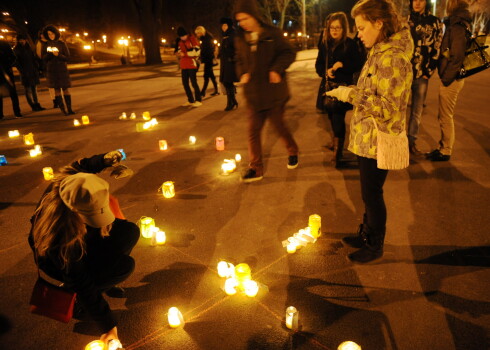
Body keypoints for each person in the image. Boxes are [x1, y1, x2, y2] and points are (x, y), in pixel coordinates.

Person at [326, 0, 413, 263]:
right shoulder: (378, 50)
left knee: (372, 193)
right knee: (367, 192)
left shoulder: (394, 58)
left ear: (379, 23)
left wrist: (350, 94)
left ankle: (374, 245)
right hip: (368, 136)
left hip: (379, 138)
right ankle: (366, 234)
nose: (358, 34)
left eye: (362, 27)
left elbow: (389, 108)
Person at [28, 151, 139, 347]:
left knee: (129, 231)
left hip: (82, 235)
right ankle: (78, 302)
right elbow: (79, 279)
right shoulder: (59, 235)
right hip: (57, 262)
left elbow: (80, 167)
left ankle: (102, 278)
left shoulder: (67, 183)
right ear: (73, 210)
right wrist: (107, 325)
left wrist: (104, 160)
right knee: (123, 267)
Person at [234, 0, 299, 183]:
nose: (243, 23)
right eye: (239, 20)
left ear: (254, 16)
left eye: (245, 18)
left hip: (273, 95)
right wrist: (243, 73)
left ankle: (293, 150)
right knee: (253, 132)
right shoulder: (240, 38)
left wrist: (276, 69)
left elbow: (289, 53)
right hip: (254, 95)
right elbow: (238, 60)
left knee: (279, 127)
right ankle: (256, 169)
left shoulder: (272, 34)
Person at [426, 0, 471, 161]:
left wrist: (446, 77)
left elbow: (457, 55)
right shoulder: (457, 22)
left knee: (445, 116)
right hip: (452, 77)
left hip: (452, 78)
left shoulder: (458, 25)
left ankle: (445, 150)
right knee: (444, 115)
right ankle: (443, 146)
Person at [315, 12, 361, 167]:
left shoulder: (350, 44)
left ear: (344, 28)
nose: (334, 31)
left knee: (337, 118)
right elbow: (318, 65)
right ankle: (336, 142)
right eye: (331, 27)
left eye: (338, 28)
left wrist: (343, 65)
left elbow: (358, 64)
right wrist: (325, 71)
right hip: (328, 87)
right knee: (330, 114)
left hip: (343, 88)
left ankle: (338, 153)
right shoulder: (325, 44)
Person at [407, 0, 443, 156]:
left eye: (421, 0)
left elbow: (437, 47)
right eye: (414, 0)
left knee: (417, 110)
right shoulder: (405, 20)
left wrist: (429, 71)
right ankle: (397, 141)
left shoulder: (435, 22)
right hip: (405, 73)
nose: (417, 3)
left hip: (422, 74)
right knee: (399, 109)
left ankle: (411, 141)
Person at [42, 25, 75, 115]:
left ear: (55, 33)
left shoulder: (61, 44)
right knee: (56, 90)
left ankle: (69, 109)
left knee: (65, 89)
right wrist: (50, 54)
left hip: (62, 69)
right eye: (48, 34)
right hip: (52, 70)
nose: (51, 35)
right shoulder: (45, 45)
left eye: (52, 33)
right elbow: (43, 58)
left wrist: (58, 55)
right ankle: (63, 110)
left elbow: (68, 58)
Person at [14, 34, 46, 112]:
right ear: (18, 41)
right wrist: (22, 71)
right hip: (25, 72)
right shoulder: (16, 50)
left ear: (25, 40)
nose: (22, 41)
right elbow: (16, 63)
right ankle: (32, 106)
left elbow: (34, 59)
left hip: (33, 71)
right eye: (20, 40)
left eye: (23, 39)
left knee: (34, 89)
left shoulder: (29, 48)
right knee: (27, 90)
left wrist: (37, 68)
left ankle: (37, 104)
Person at [176, 26, 202, 107]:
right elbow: (180, 50)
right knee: (185, 83)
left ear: (186, 34)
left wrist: (185, 54)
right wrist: (179, 53)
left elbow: (197, 52)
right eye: (181, 36)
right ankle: (190, 100)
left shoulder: (192, 40)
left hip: (191, 64)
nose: (182, 38)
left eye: (183, 36)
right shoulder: (180, 42)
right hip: (184, 65)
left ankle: (198, 100)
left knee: (194, 83)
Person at [219, 17, 239, 111]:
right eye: (222, 25)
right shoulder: (225, 35)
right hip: (225, 63)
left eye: (225, 25)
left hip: (230, 63)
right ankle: (233, 101)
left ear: (229, 26)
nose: (223, 27)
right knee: (227, 82)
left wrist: (232, 58)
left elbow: (237, 49)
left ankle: (230, 103)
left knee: (228, 82)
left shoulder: (233, 35)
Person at [0, 40, 22, 119]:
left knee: (12, 93)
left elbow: (13, 57)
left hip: (6, 71)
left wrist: (8, 65)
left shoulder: (4, 44)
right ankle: (0, 114)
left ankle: (17, 112)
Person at [195, 26, 219, 97]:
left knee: (206, 75)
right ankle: (216, 90)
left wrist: (202, 56)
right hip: (207, 59)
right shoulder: (204, 38)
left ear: (201, 32)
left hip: (209, 59)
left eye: (198, 33)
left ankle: (203, 91)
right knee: (211, 75)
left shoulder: (208, 38)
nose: (197, 35)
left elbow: (209, 50)